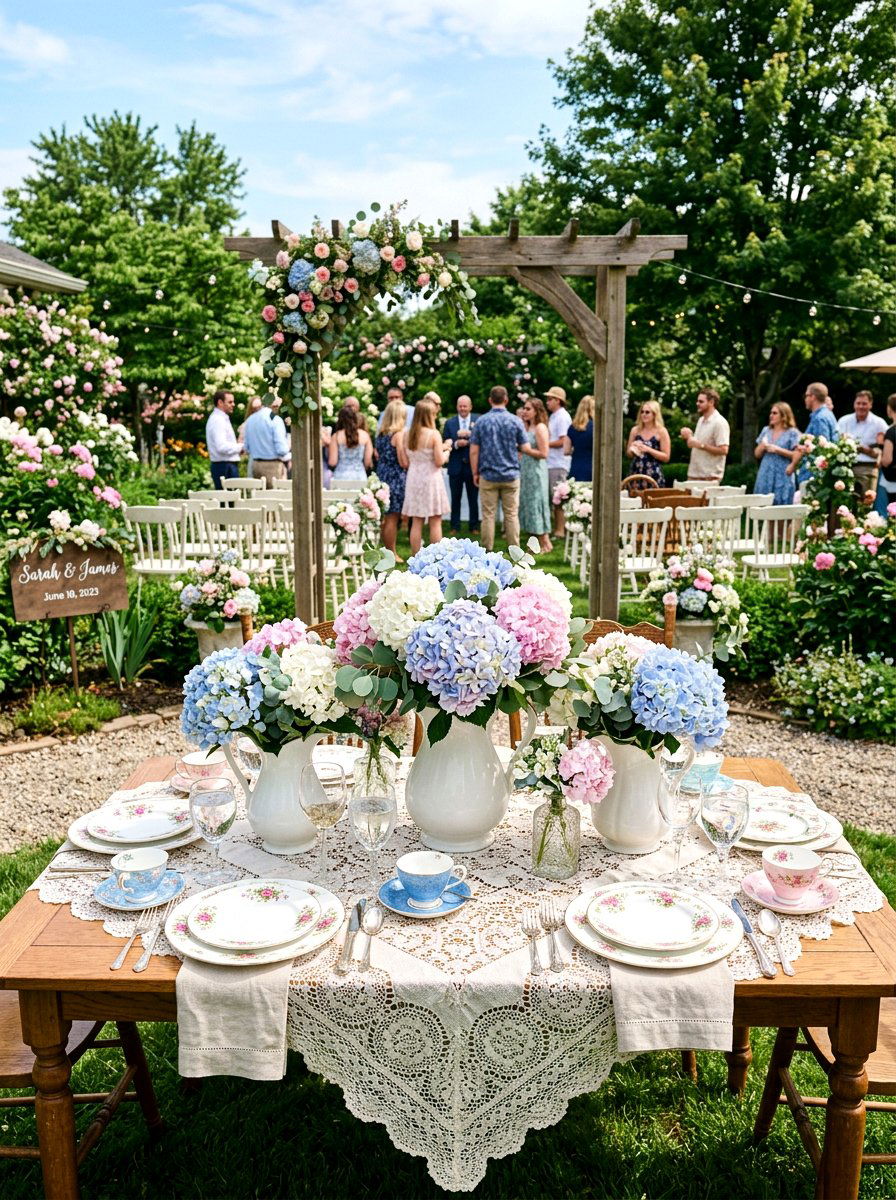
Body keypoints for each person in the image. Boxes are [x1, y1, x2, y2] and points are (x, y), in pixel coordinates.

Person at [469, 385, 528, 551]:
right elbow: (524, 447)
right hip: (511, 474)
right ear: (506, 400)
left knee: (488, 515)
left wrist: (475, 472)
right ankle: (515, 551)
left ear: (490, 400)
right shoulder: (515, 421)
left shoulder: (481, 421)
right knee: (511, 514)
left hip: (488, 475)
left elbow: (474, 451)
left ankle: (487, 550)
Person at [402, 399, 449, 554]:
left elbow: (406, 460)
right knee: (435, 520)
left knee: (416, 520)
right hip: (430, 478)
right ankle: (437, 557)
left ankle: (415, 556)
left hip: (414, 477)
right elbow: (438, 461)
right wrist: (447, 451)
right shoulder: (433, 434)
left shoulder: (407, 434)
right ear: (429, 415)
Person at [788, 381, 839, 490]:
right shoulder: (827, 414)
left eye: (806, 395)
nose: (805, 399)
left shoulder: (819, 418)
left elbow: (823, 449)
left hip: (814, 476)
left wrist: (803, 447)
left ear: (813, 397)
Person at [837, 390, 887, 499]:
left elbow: (884, 450)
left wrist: (866, 450)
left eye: (864, 404)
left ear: (870, 404)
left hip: (868, 468)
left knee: (865, 504)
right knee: (844, 504)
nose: (860, 407)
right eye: (858, 403)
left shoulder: (879, 423)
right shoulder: (844, 421)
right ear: (854, 404)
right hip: (845, 468)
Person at [374, 398, 409, 554]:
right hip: (395, 478)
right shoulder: (398, 435)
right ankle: (391, 552)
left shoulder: (381, 434)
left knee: (385, 517)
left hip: (382, 475)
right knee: (392, 518)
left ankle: (384, 550)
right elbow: (402, 461)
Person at [518, 397, 552, 553]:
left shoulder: (540, 428)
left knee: (537, 503)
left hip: (537, 471)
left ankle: (545, 542)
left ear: (537, 411)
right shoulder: (527, 427)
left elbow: (544, 453)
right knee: (529, 504)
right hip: (526, 470)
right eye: (524, 408)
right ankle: (535, 542)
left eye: (528, 409)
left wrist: (526, 450)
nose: (524, 411)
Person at [443, 394, 479, 534]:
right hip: (455, 466)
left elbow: (481, 440)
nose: (463, 408)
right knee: (455, 498)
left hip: (472, 466)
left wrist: (470, 439)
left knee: (473, 498)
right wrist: (457, 444)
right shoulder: (449, 423)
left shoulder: (478, 420)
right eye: (460, 406)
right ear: (457, 407)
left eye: (465, 406)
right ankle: (454, 526)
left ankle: (474, 526)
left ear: (470, 407)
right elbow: (445, 441)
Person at [681, 387, 730, 482]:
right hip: (694, 474)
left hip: (709, 477)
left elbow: (724, 450)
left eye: (701, 401)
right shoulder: (701, 420)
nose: (697, 404)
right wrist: (689, 436)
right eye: (697, 401)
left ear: (711, 402)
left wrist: (701, 445)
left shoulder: (719, 422)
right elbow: (695, 444)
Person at [754, 402, 800, 504]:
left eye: (775, 413)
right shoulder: (766, 430)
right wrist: (762, 446)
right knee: (764, 506)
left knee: (782, 509)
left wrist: (777, 450)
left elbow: (797, 454)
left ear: (784, 416)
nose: (771, 415)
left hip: (783, 473)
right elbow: (757, 454)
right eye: (771, 413)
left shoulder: (792, 432)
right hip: (766, 472)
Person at [242, 394, 290, 486]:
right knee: (272, 497)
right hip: (272, 466)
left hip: (255, 465)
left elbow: (247, 448)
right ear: (272, 404)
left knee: (257, 497)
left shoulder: (250, 419)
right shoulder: (275, 420)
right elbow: (282, 450)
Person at [545, 385, 572, 535]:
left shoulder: (562, 417)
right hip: (551, 462)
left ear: (558, 400)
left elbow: (563, 441)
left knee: (558, 498)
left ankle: (560, 530)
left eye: (550, 399)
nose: (547, 402)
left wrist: (543, 445)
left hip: (558, 463)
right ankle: (557, 528)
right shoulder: (554, 416)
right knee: (553, 498)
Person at [626, 400, 670, 486]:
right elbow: (628, 454)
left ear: (654, 414)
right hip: (636, 472)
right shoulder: (635, 430)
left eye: (647, 412)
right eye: (642, 412)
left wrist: (648, 450)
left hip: (653, 474)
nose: (644, 414)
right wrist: (633, 448)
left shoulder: (661, 431)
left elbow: (666, 457)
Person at [205, 389, 242, 489]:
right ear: (220, 402)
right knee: (229, 502)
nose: (233, 404)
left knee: (230, 502)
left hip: (225, 465)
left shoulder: (220, 418)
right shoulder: (218, 420)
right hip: (225, 467)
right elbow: (221, 447)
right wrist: (241, 447)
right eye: (230, 402)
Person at [328, 406, 372, 482]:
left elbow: (332, 462)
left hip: (340, 476)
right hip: (360, 476)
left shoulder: (336, 436)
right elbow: (367, 462)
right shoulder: (365, 435)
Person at [563, 394, 595, 482]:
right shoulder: (597, 428)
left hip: (576, 466)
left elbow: (566, 451)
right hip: (593, 467)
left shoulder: (572, 427)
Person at [875, 393, 896, 515]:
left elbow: (887, 459)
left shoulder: (891, 432)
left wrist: (881, 447)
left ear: (889, 408)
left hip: (893, 481)